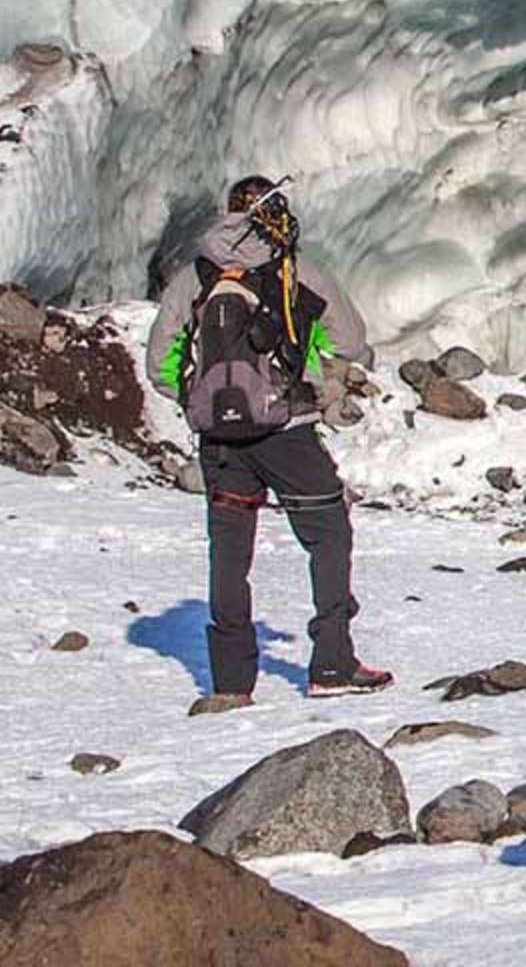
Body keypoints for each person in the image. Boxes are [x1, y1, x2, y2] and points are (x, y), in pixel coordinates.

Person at [145, 175, 392, 712]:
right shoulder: (293, 271)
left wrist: (203, 399)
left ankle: (231, 682)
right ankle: (332, 660)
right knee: (328, 536)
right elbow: (350, 342)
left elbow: (159, 364)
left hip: (219, 441)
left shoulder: (196, 276)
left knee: (230, 554)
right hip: (287, 432)